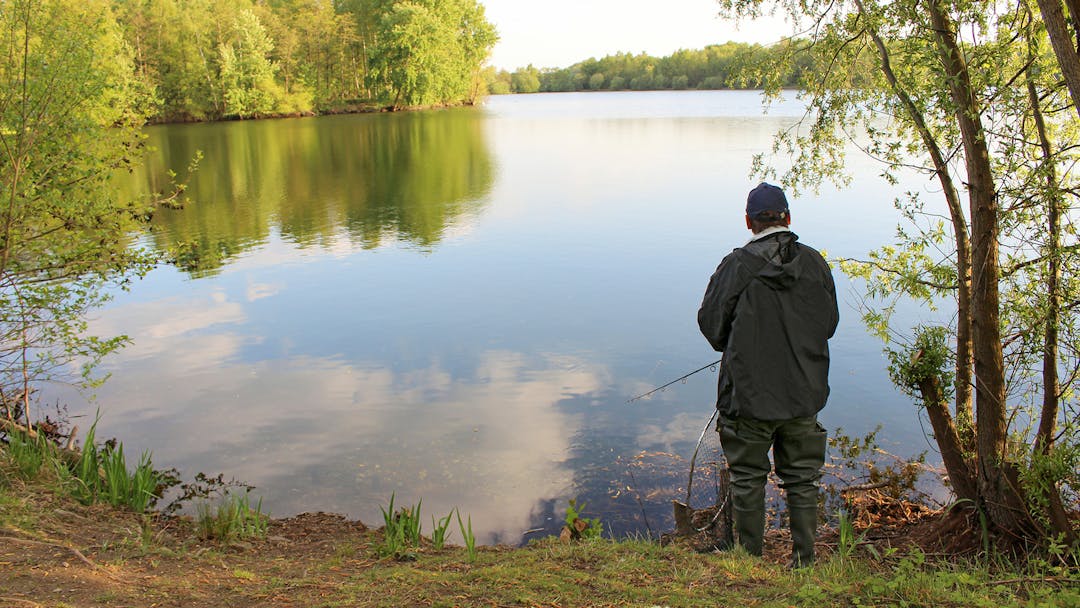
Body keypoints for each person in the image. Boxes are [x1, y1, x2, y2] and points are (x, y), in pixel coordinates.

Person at [697, 182, 838, 567]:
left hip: (749, 398)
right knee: (802, 480)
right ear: (788, 218)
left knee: (747, 478)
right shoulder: (815, 263)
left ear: (749, 222)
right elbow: (828, 324)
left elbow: (712, 328)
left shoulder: (737, 266)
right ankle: (805, 562)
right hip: (803, 393)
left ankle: (750, 563)